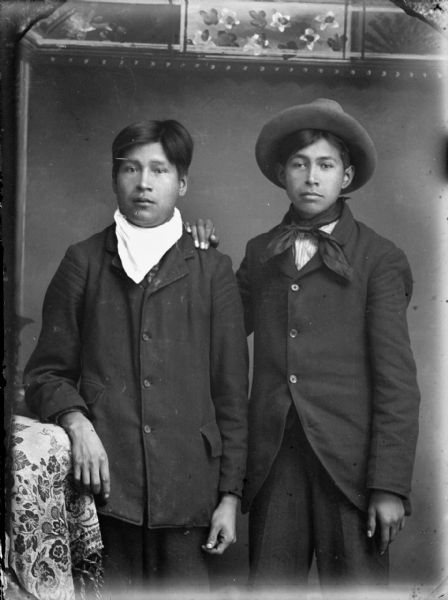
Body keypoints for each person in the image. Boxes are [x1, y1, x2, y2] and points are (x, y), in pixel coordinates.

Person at [186, 98, 420, 589]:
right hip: (275, 462)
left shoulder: (380, 258)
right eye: (299, 164)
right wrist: (202, 263)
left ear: (347, 177)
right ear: (281, 174)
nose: (311, 177)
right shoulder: (260, 252)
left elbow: (397, 381)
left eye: (325, 165)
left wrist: (388, 484)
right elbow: (219, 332)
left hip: (351, 470)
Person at [23, 120, 248, 594]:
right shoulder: (82, 261)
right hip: (105, 493)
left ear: (181, 183)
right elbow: (45, 372)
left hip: (190, 493)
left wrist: (229, 496)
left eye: (159, 170)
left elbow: (231, 395)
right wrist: (77, 423)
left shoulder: (213, 269)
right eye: (130, 168)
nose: (143, 183)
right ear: (114, 178)